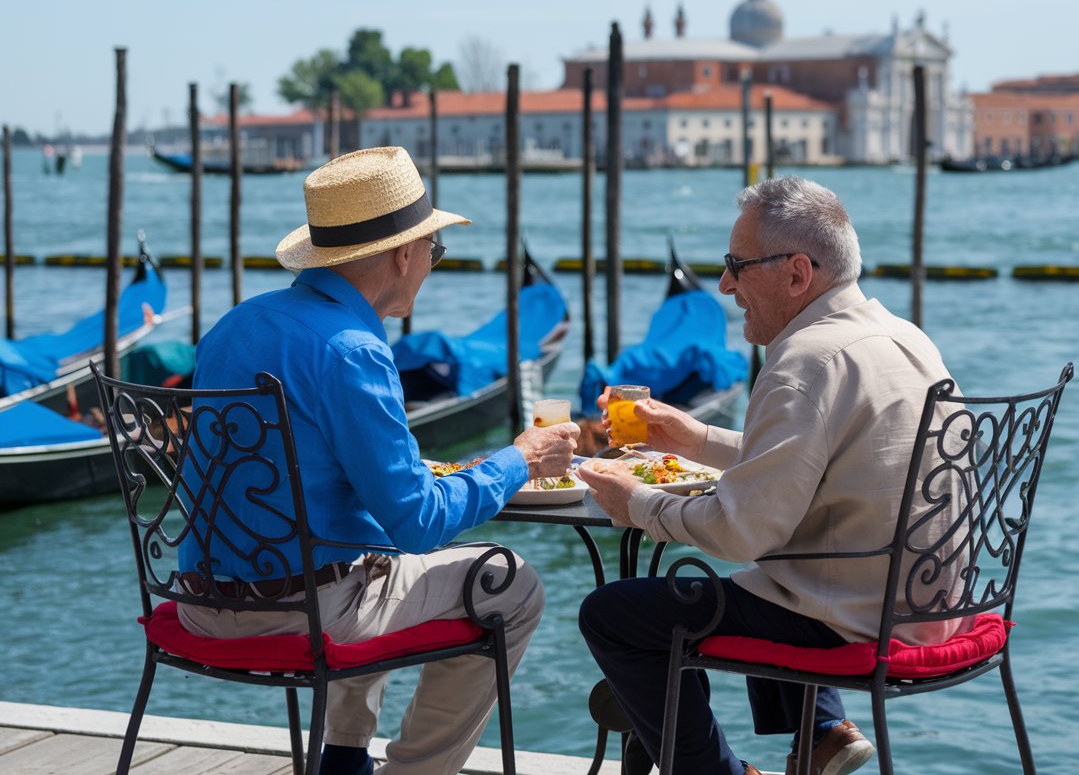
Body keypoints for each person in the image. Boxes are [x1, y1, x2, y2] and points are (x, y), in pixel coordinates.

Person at [179, 146, 580, 775]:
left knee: (373, 561)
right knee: (513, 584)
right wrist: (519, 461)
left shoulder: (233, 325)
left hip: (196, 605)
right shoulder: (353, 350)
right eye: (434, 253)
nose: (430, 266)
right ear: (403, 254)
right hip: (299, 616)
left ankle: (342, 759)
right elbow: (418, 522)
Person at [578, 176, 960, 775]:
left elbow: (741, 530)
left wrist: (640, 503)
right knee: (769, 571)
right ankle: (821, 734)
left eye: (736, 265)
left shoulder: (806, 361)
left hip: (854, 618)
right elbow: (816, 460)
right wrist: (697, 440)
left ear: (797, 274)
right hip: (932, 605)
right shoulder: (903, 336)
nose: (726, 284)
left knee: (614, 614)